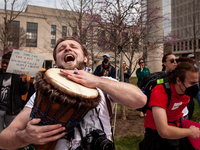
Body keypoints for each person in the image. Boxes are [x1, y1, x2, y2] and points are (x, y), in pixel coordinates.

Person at [0, 37, 147, 150]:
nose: (67, 49)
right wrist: (24, 136)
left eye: (73, 47)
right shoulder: (44, 93)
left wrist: (97, 81)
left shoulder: (103, 82)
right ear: (56, 63)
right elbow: (3, 139)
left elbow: (140, 100)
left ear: (85, 58)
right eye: (61, 49)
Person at [140, 62, 199, 150]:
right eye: (192, 83)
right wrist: (190, 132)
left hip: (176, 130)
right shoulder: (160, 92)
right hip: (156, 136)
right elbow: (163, 131)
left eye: (197, 83)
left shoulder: (186, 91)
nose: (196, 87)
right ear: (178, 81)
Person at [0, 52, 28, 133]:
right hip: (0, 110)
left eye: (7, 63)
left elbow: (23, 92)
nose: (4, 65)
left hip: (12, 111)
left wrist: (24, 81)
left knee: (11, 134)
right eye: (3, 62)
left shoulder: (18, 75)